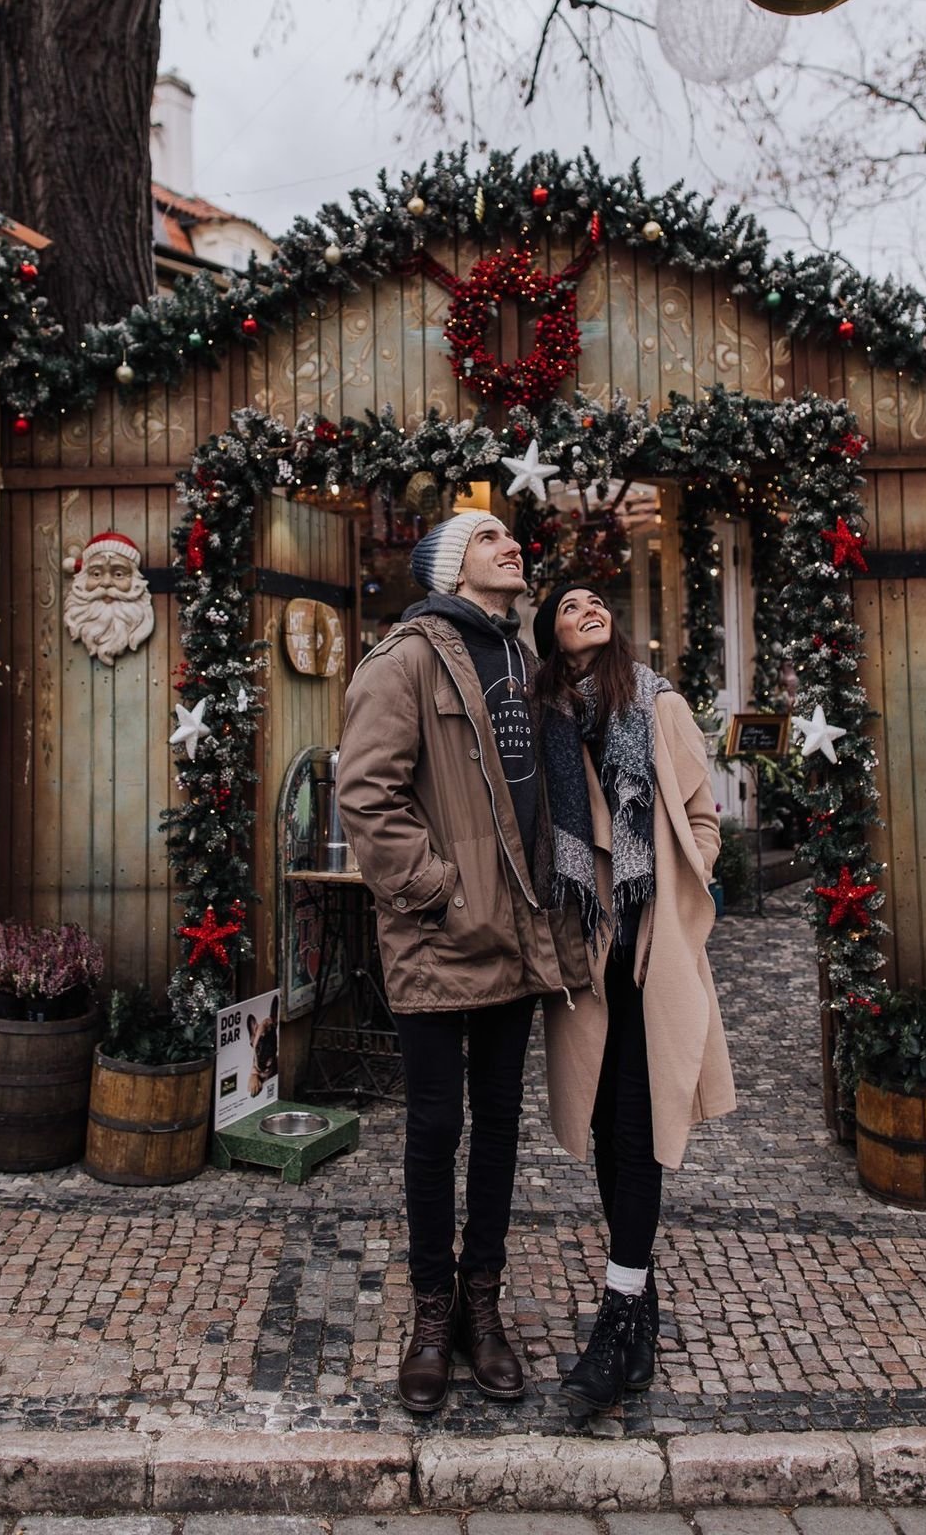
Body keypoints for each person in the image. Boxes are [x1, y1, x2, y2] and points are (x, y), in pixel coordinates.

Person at [336, 511, 581, 1414]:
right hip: (441, 933)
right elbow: (366, 794)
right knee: (435, 1129)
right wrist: (440, 891)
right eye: (487, 538)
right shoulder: (403, 659)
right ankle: (431, 1317)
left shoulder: (523, 662)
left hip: (516, 936)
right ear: (449, 567)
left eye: (514, 536)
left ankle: (486, 1309)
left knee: (499, 1130)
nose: (510, 544)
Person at [531, 581, 736, 1421]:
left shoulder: (656, 704)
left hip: (649, 945)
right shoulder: (543, 717)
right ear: (550, 633)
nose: (588, 604)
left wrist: (691, 889)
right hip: (587, 945)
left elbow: (702, 815)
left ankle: (617, 1318)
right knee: (610, 1134)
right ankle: (638, 1297)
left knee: (641, 1122)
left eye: (595, 596)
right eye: (568, 601)